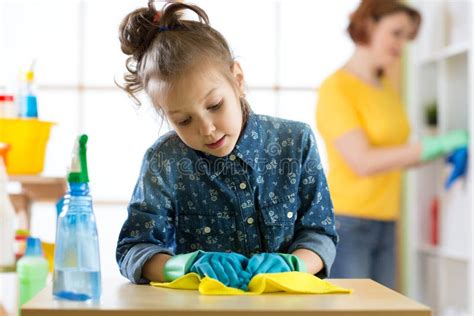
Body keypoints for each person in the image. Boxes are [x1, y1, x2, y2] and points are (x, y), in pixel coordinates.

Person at [115, 2, 338, 289]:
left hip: (283, 304)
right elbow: (133, 249)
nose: (206, 129)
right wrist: (185, 265)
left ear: (238, 79)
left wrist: (294, 264)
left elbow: (321, 233)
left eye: (215, 105)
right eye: (183, 120)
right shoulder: (165, 160)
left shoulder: (295, 142)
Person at [316, 0, 468, 289]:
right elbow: (362, 161)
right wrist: (433, 145)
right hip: (348, 222)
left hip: (387, 220)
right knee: (354, 309)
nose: (402, 45)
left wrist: (445, 149)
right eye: (396, 33)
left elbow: (396, 153)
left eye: (406, 37)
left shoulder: (385, 87)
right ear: (370, 25)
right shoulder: (336, 88)